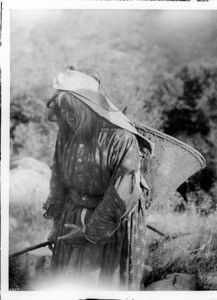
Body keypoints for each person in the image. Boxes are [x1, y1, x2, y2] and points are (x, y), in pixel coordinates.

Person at [43, 66, 154, 291]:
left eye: (74, 109)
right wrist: (57, 225)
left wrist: (89, 232)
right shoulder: (67, 135)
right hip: (72, 215)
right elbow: (58, 180)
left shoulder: (121, 139)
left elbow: (122, 193)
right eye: (64, 109)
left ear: (90, 107)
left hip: (112, 226)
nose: (68, 116)